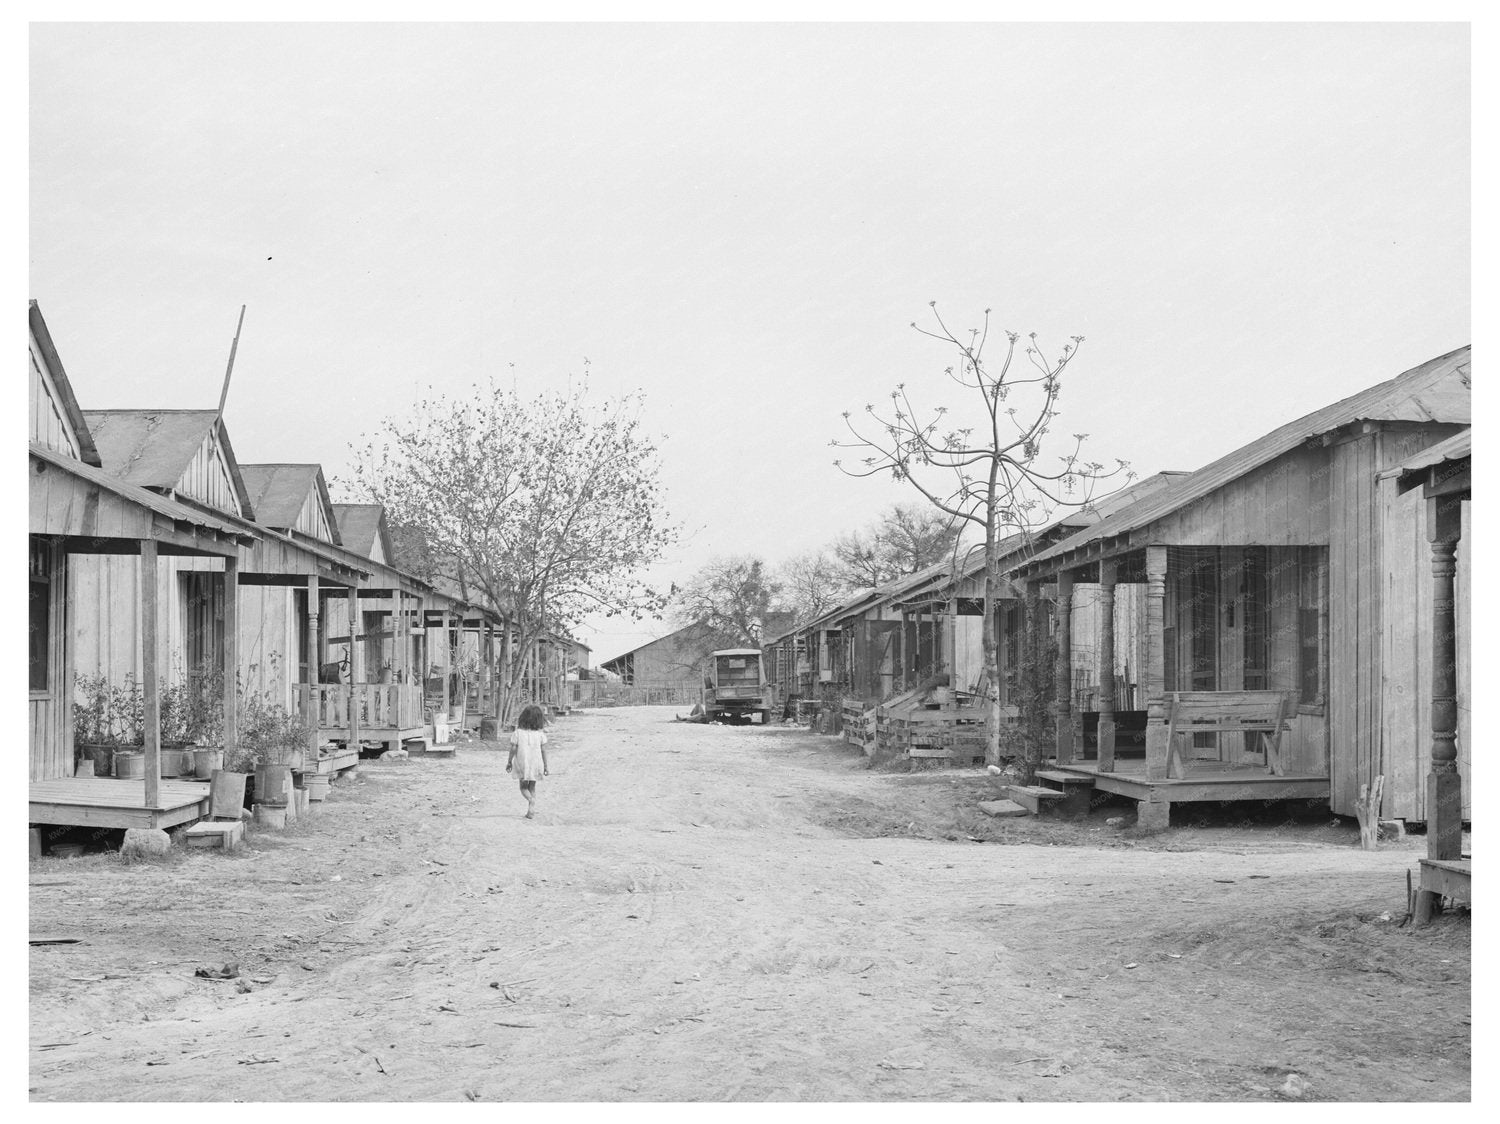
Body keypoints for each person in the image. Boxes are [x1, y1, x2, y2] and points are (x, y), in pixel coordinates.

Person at [506, 704, 550, 819]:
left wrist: (509, 761)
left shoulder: (518, 733)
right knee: (532, 787)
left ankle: (530, 801)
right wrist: (545, 766)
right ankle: (531, 809)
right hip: (536, 764)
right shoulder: (540, 734)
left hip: (522, 763)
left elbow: (513, 748)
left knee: (523, 787)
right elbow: (543, 750)